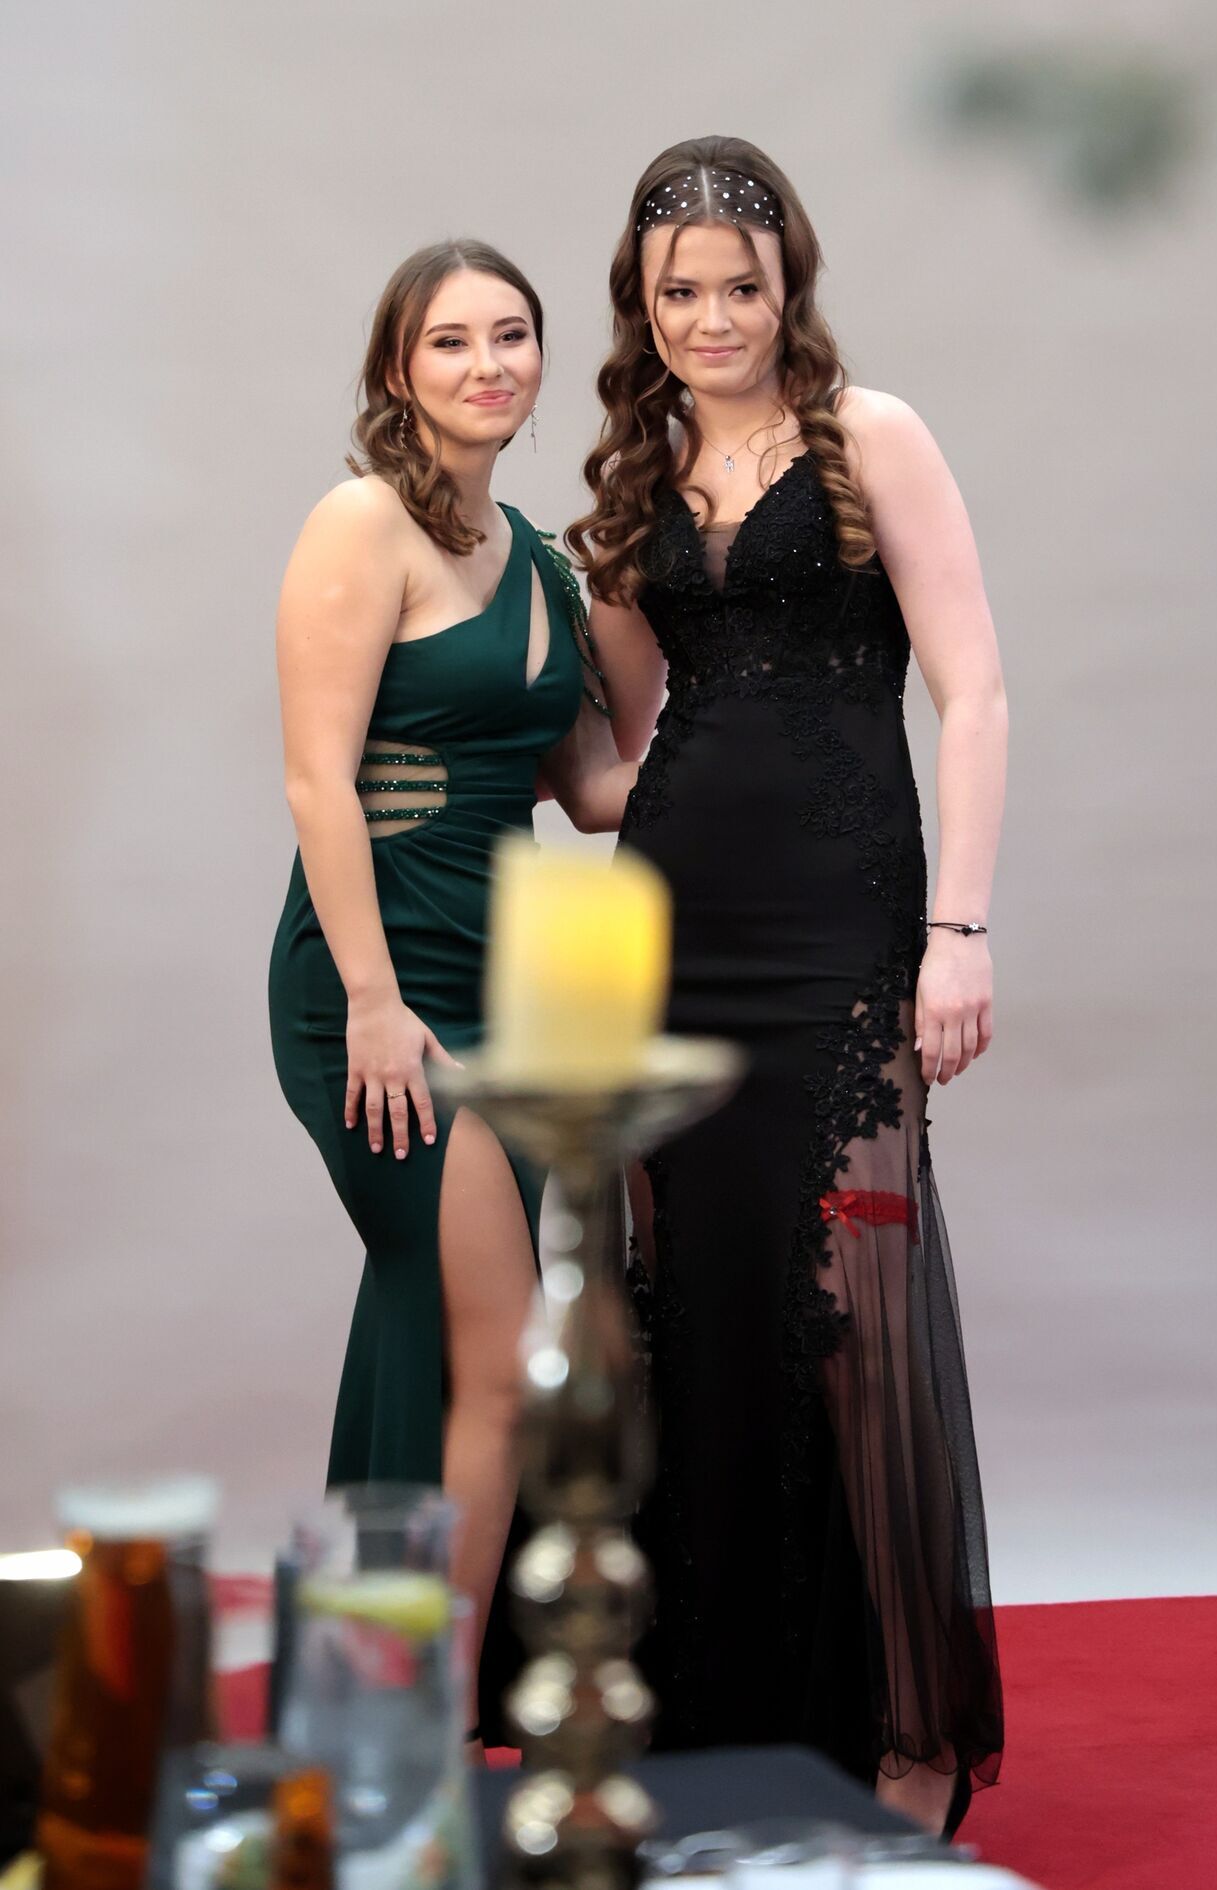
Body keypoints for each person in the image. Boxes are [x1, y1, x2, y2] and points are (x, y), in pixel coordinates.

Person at [567, 136, 1006, 1833]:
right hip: (670, 929)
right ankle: (719, 1718)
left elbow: (975, 689)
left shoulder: (869, 435)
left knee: (858, 1315)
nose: (711, 317)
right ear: (644, 305)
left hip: (843, 924)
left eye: (739, 287)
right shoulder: (637, 476)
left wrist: (957, 930)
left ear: (786, 286)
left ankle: (904, 1727)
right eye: (679, 292)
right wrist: (465, 697)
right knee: (701, 1307)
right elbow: (614, 763)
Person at [269, 240, 634, 1752]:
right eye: (451, 340)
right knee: (495, 1356)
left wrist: (770, 710)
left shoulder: (539, 556)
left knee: (430, 1329)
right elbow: (317, 776)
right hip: (382, 984)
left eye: (513, 335)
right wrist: (370, 995)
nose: (490, 364)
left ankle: (369, 1708)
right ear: (397, 370)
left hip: (507, 981)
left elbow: (597, 788)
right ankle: (422, 1727)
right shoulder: (363, 522)